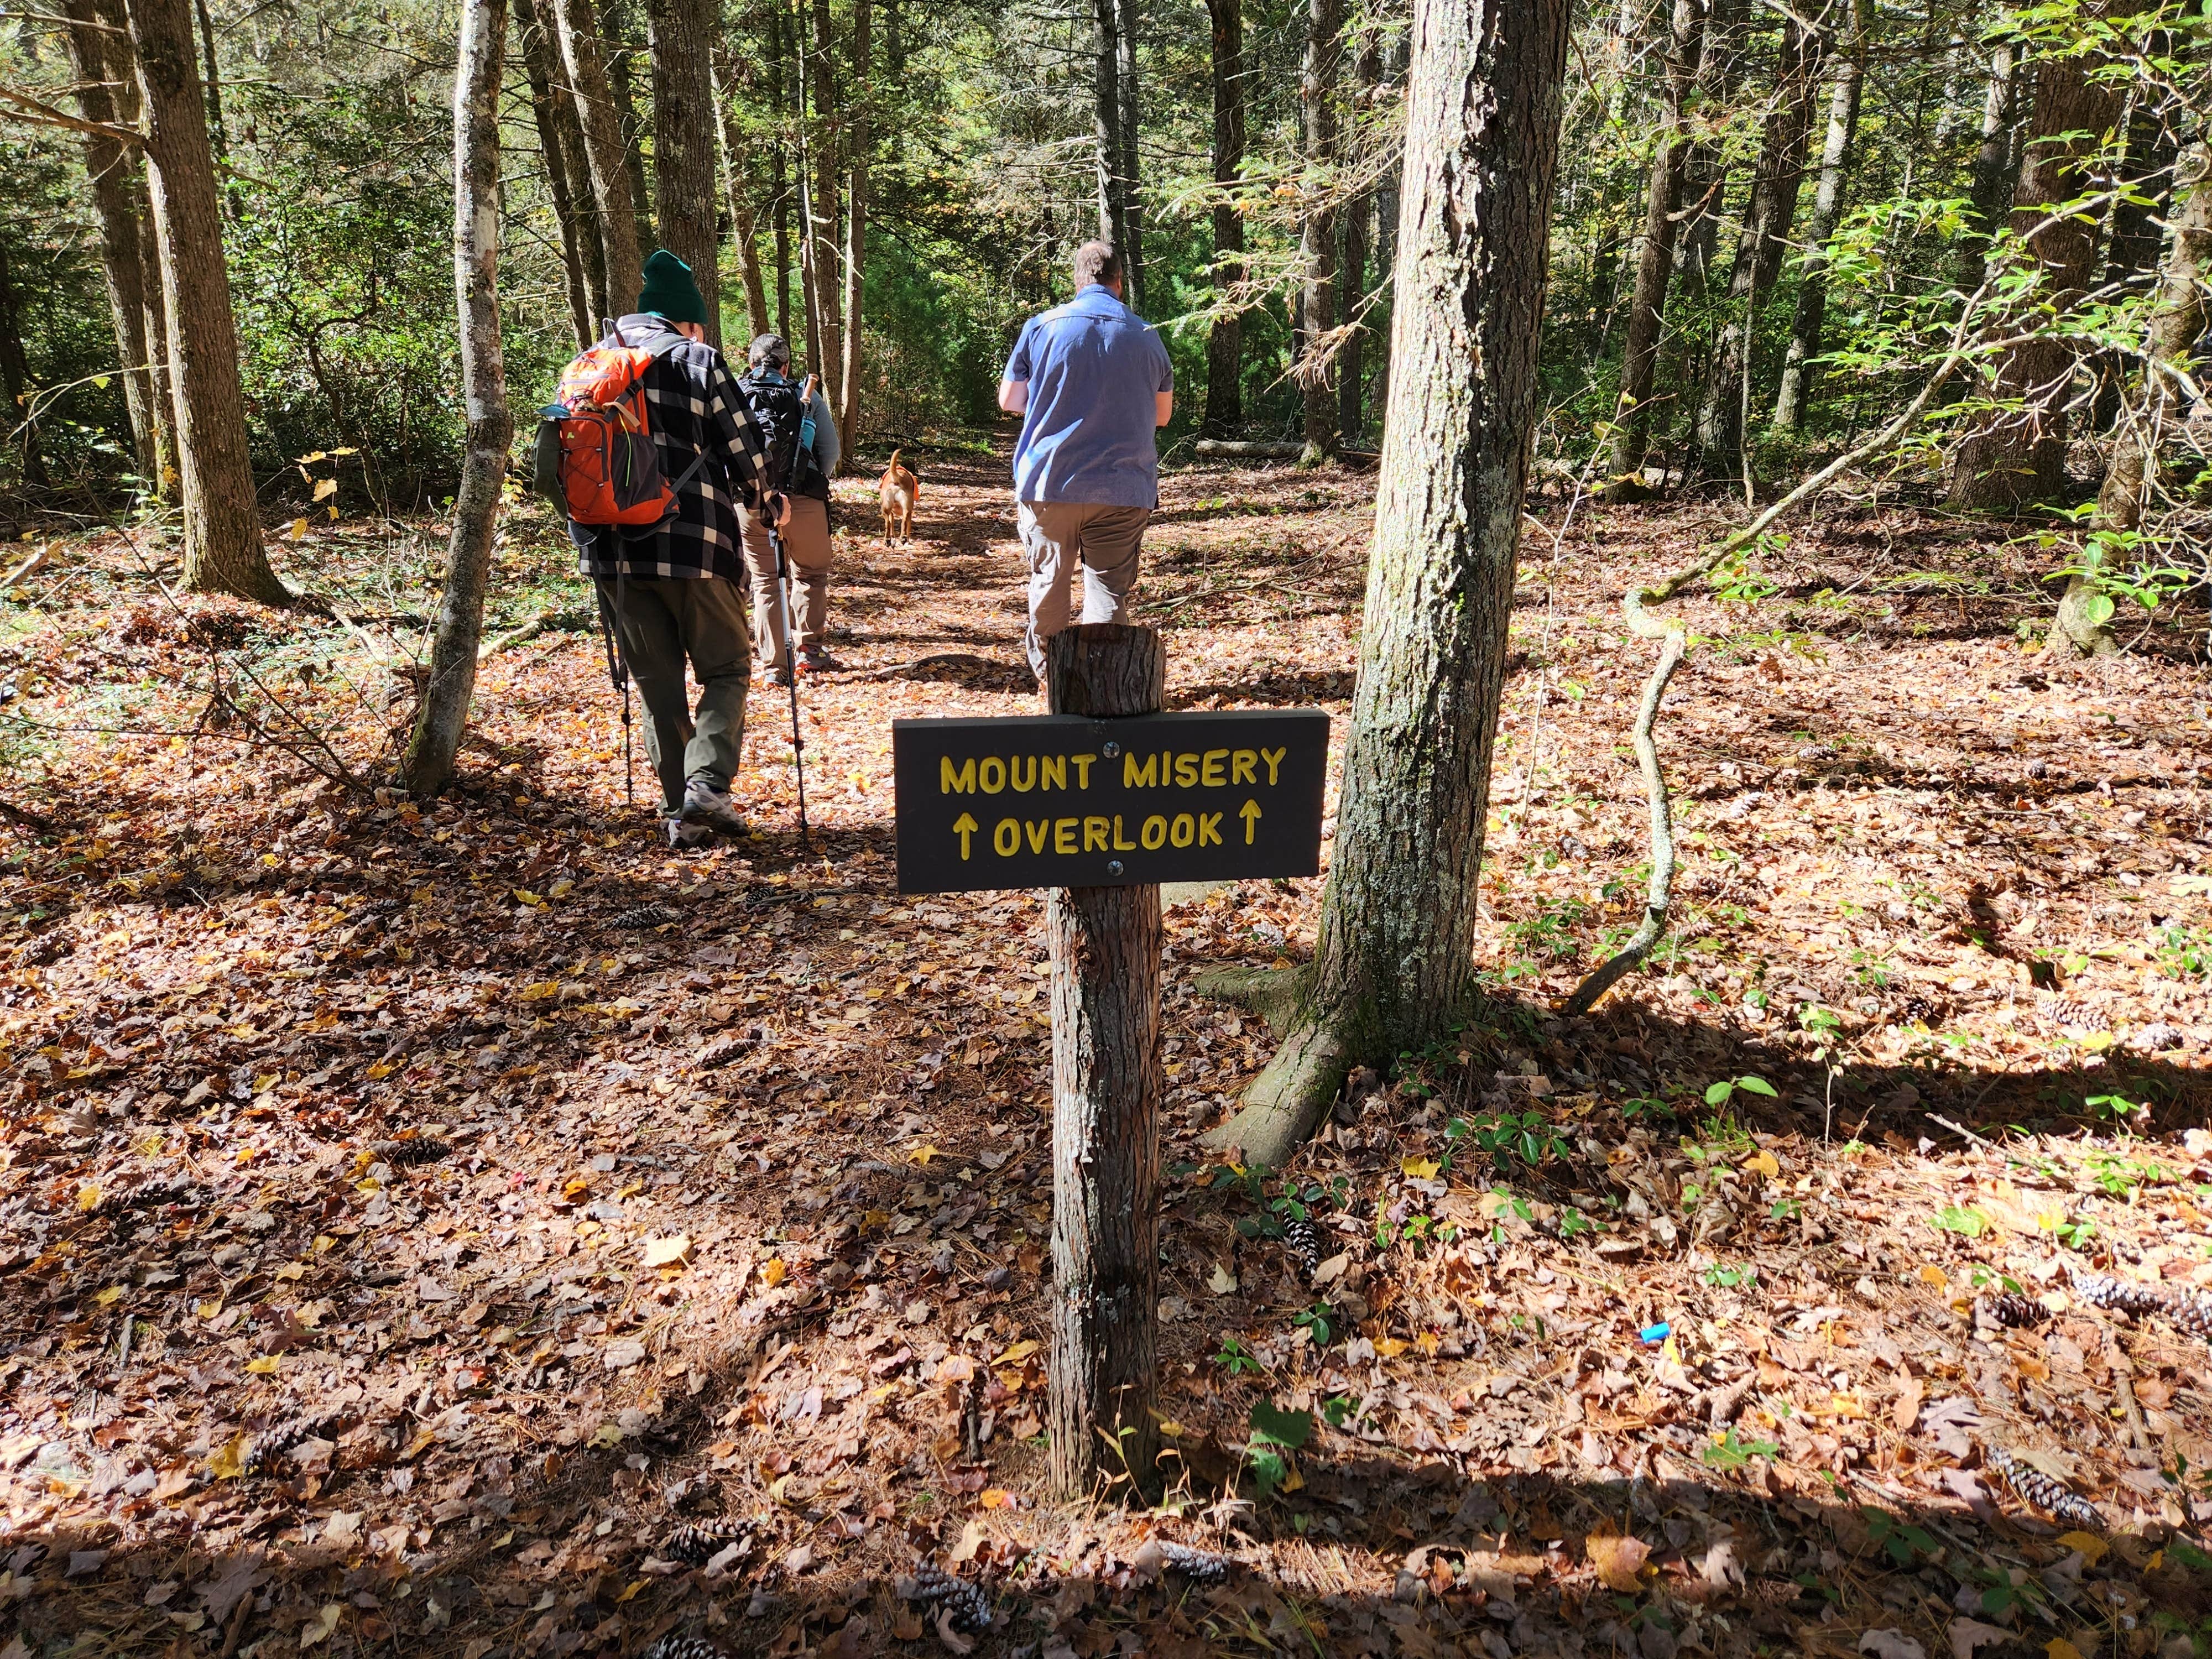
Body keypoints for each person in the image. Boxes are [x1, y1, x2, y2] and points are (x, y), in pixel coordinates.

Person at [570, 249, 787, 849]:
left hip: (610, 555)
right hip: (694, 546)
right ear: (687, 321)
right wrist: (768, 499)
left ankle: (679, 816)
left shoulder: (588, 365)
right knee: (726, 668)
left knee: (657, 684)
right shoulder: (698, 360)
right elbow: (745, 451)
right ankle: (706, 786)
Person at [997, 241, 1174, 684]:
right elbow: (1163, 415)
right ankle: (1102, 682)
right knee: (1109, 589)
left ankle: (1053, 679)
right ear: (1119, 284)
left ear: (1078, 282)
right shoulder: (1148, 335)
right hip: (1123, 487)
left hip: (1050, 480)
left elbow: (1009, 400)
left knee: (1050, 582)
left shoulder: (1041, 326)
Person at [736, 335, 840, 683]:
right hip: (804, 498)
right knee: (810, 574)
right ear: (786, 366)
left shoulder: (735, 394)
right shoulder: (805, 396)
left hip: (752, 500)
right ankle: (809, 651)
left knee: (765, 581)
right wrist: (805, 484)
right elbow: (830, 453)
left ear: (751, 364)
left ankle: (775, 667)